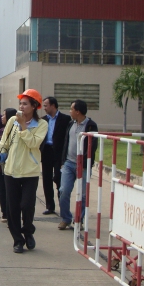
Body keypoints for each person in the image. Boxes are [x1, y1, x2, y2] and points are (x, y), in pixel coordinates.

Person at [0, 89, 48, 254]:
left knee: (27, 205)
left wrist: (23, 126)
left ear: (34, 106)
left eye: (25, 104)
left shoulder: (42, 124)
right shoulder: (12, 121)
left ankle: (28, 231)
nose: (21, 107)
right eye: (20, 103)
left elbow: (34, 143)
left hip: (30, 172)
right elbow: (4, 142)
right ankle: (18, 240)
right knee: (13, 208)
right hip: (11, 171)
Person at [58, 99, 98, 231]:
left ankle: (79, 220)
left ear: (78, 111)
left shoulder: (91, 126)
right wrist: (63, 161)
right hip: (69, 163)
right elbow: (66, 142)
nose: (70, 111)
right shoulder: (71, 124)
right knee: (63, 190)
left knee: (83, 194)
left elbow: (93, 146)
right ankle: (65, 218)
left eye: (71, 109)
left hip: (83, 166)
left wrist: (85, 161)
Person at [41, 97, 71, 215]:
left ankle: (62, 205)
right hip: (46, 151)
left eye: (46, 105)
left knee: (59, 178)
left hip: (59, 152)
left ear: (53, 105)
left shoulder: (65, 119)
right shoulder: (43, 120)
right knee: (46, 179)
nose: (44, 108)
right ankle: (50, 206)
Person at [0, 107, 17, 222]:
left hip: (13, 166)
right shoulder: (1, 131)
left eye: (4, 115)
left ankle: (12, 213)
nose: (2, 117)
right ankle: (5, 213)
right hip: (1, 165)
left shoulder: (17, 131)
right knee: (2, 190)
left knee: (11, 191)